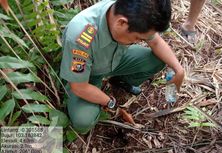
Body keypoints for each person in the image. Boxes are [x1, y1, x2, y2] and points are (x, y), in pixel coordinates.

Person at [60, 0, 184, 134]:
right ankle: (91, 100)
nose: (139, 42)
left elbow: (155, 42)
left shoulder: (135, 14)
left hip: (115, 59)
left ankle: (120, 81)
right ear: (121, 23)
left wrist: (179, 70)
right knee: (83, 120)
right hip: (87, 76)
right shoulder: (81, 36)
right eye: (138, 38)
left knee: (157, 59)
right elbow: (79, 87)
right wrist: (111, 104)